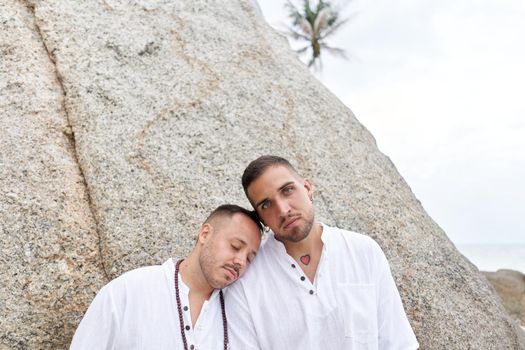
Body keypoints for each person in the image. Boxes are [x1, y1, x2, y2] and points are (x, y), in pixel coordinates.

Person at [226, 156, 419, 349]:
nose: (283, 210)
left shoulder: (364, 251)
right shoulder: (245, 284)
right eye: (266, 205)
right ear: (262, 219)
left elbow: (397, 342)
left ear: (308, 189)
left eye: (287, 190)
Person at [70, 204, 262, 350]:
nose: (241, 262)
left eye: (249, 258)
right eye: (235, 246)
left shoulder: (238, 314)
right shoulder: (129, 291)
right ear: (205, 234)